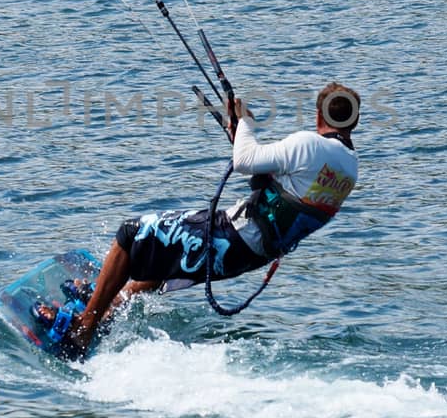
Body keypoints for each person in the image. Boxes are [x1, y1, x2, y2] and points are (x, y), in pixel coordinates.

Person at [63, 84, 361, 355]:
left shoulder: (308, 143)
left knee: (131, 234)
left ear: (318, 116)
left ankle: (83, 329)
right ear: (354, 122)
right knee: (166, 262)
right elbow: (280, 187)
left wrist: (246, 122)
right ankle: (107, 310)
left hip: (235, 236)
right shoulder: (349, 167)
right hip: (254, 253)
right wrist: (239, 139)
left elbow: (245, 161)